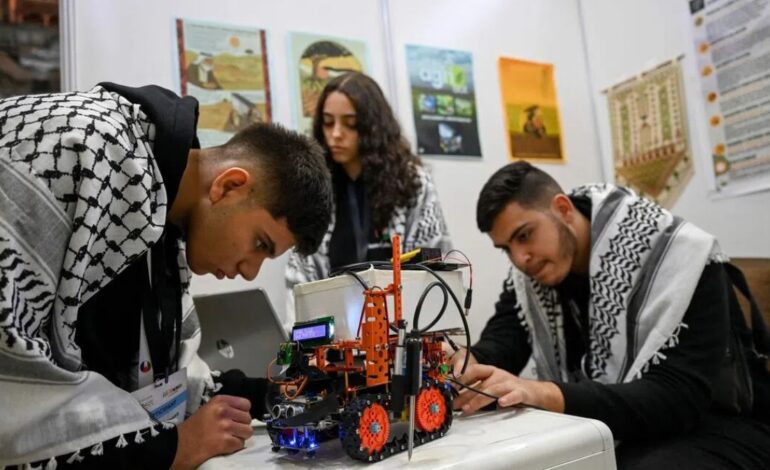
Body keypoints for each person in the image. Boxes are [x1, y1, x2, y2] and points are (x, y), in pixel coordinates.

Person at [0, 83, 333, 469]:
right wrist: (176, 449)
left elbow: (149, 377)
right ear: (229, 186)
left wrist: (271, 394)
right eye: (260, 243)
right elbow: (14, 388)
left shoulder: (159, 205)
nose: (249, 269)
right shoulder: (86, 146)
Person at [451, 161, 770, 469]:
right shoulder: (535, 272)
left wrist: (545, 393)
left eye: (524, 236)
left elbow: (680, 397)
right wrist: (471, 360)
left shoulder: (680, 259)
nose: (520, 258)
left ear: (563, 209)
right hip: (630, 423)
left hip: (723, 424)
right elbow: (507, 333)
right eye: (506, 248)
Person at [285, 72, 451, 327]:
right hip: (336, 337)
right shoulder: (314, 188)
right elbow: (299, 277)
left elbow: (435, 264)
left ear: (374, 127)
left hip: (402, 330)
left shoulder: (413, 184)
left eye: (350, 124)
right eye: (328, 123)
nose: (336, 134)